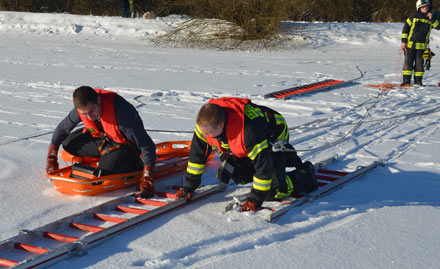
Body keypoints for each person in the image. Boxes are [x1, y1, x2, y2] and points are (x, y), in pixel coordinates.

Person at [175, 97, 317, 212]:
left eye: (208, 133)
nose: (205, 135)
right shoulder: (205, 126)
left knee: (272, 192)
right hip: (239, 142)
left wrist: (255, 198)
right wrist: (189, 186)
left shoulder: (249, 132)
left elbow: (263, 167)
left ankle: (305, 175)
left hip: (273, 136)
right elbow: (196, 157)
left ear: (220, 126)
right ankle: (241, 160)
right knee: (240, 176)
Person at [45, 86, 156, 198]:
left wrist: (147, 177)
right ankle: (106, 153)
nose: (89, 117)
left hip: (125, 146)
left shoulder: (123, 114)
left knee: (103, 171)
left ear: (98, 100)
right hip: (104, 139)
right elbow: (62, 129)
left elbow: (148, 146)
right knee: (68, 143)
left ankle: (131, 163)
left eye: (91, 111)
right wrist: (51, 157)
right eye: (84, 114)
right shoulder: (83, 107)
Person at [401, 0, 440, 86]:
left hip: (422, 48)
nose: (425, 8)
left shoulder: (430, 18)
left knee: (419, 66)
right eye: (423, 7)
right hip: (410, 46)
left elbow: (438, 27)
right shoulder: (413, 17)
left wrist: (432, 19)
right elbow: (405, 29)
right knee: (408, 64)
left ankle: (418, 83)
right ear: (419, 8)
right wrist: (403, 42)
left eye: (426, 6)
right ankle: (406, 82)